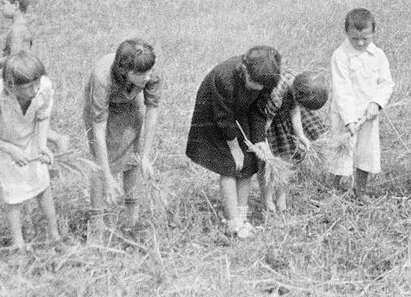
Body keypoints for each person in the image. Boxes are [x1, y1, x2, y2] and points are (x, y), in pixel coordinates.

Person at [0, 52, 61, 252]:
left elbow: (43, 115)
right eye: (29, 87)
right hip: (3, 142)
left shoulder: (43, 87)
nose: (36, 90)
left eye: (37, 83)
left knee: (42, 183)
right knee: (13, 192)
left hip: (30, 136)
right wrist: (10, 150)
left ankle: (55, 236)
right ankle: (18, 244)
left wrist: (42, 144)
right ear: (10, 85)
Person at [185, 46, 281, 239]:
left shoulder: (267, 78)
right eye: (253, 82)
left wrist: (259, 140)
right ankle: (232, 223)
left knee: (249, 163)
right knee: (229, 165)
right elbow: (223, 118)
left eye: (261, 85)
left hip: (241, 111)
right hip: (215, 113)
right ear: (244, 69)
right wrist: (234, 147)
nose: (257, 88)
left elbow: (258, 110)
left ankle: (242, 217)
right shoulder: (225, 77)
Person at [83, 39, 162, 233]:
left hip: (128, 103)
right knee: (101, 161)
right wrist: (108, 177)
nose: (147, 77)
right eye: (140, 74)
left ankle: (131, 219)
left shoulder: (149, 70)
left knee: (132, 154)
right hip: (102, 109)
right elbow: (98, 132)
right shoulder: (102, 78)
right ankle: (96, 224)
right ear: (124, 71)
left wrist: (145, 156)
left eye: (148, 72)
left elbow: (152, 110)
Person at [327, 8, 395, 199]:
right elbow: (342, 90)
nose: (360, 42)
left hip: (368, 113)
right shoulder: (340, 56)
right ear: (346, 33)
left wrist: (376, 103)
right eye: (354, 38)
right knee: (342, 151)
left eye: (365, 38)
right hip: (344, 114)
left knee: (366, 150)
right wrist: (349, 120)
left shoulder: (379, 55)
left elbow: (386, 83)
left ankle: (360, 189)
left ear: (373, 32)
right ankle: (334, 188)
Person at [260, 69, 329, 214]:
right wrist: (263, 145)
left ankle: (281, 199)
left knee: (285, 160)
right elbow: (264, 125)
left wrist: (301, 135)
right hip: (266, 120)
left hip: (282, 118)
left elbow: (294, 110)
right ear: (296, 95)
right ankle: (267, 200)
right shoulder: (277, 94)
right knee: (266, 163)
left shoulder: (297, 85)